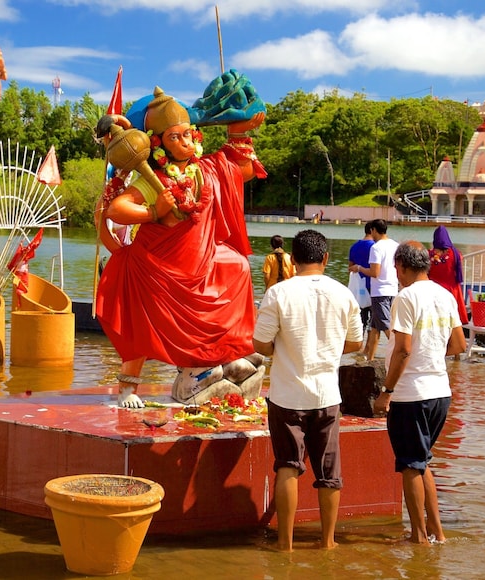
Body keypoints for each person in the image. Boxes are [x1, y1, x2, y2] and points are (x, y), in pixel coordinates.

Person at [95, 84, 268, 408]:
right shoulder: (155, 179)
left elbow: (241, 171)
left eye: (188, 134)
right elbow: (117, 209)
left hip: (202, 258)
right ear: (159, 144)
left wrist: (238, 132)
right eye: (175, 137)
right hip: (159, 266)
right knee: (141, 325)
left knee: (238, 266)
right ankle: (128, 388)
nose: (186, 141)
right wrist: (153, 211)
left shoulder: (207, 170)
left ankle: (228, 352)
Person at [252, 229, 363, 551]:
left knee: (288, 466)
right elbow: (355, 342)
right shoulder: (343, 293)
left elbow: (260, 344)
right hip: (327, 395)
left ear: (293, 260)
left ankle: (285, 545)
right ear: (325, 258)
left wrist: (283, 349)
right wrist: (328, 349)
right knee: (329, 472)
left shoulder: (278, 293)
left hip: (287, 395)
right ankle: (328, 542)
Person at [372, 241, 466, 545]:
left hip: (411, 393)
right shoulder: (445, 294)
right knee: (421, 461)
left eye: (396, 269)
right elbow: (459, 345)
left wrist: (386, 391)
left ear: (401, 267)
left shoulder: (406, 297)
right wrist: (431, 355)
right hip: (440, 392)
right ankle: (437, 532)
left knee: (411, 465)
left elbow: (403, 350)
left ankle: (419, 537)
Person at [351, 219, 399, 359]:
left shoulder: (376, 248)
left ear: (373, 230)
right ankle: (370, 358)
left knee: (385, 324)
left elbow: (375, 273)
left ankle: (401, 350)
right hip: (392, 289)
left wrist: (359, 268)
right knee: (374, 327)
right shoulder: (395, 245)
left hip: (380, 291)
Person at [427, 225, 468, 325]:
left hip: (434, 291)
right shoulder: (456, 254)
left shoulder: (429, 255)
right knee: (453, 320)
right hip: (452, 289)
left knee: (435, 320)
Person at [347, 223, 375, 331]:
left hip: (359, 289)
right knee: (374, 323)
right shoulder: (375, 247)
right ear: (373, 230)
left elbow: (350, 268)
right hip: (374, 287)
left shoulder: (354, 246)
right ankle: (370, 341)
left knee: (360, 320)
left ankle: (359, 340)